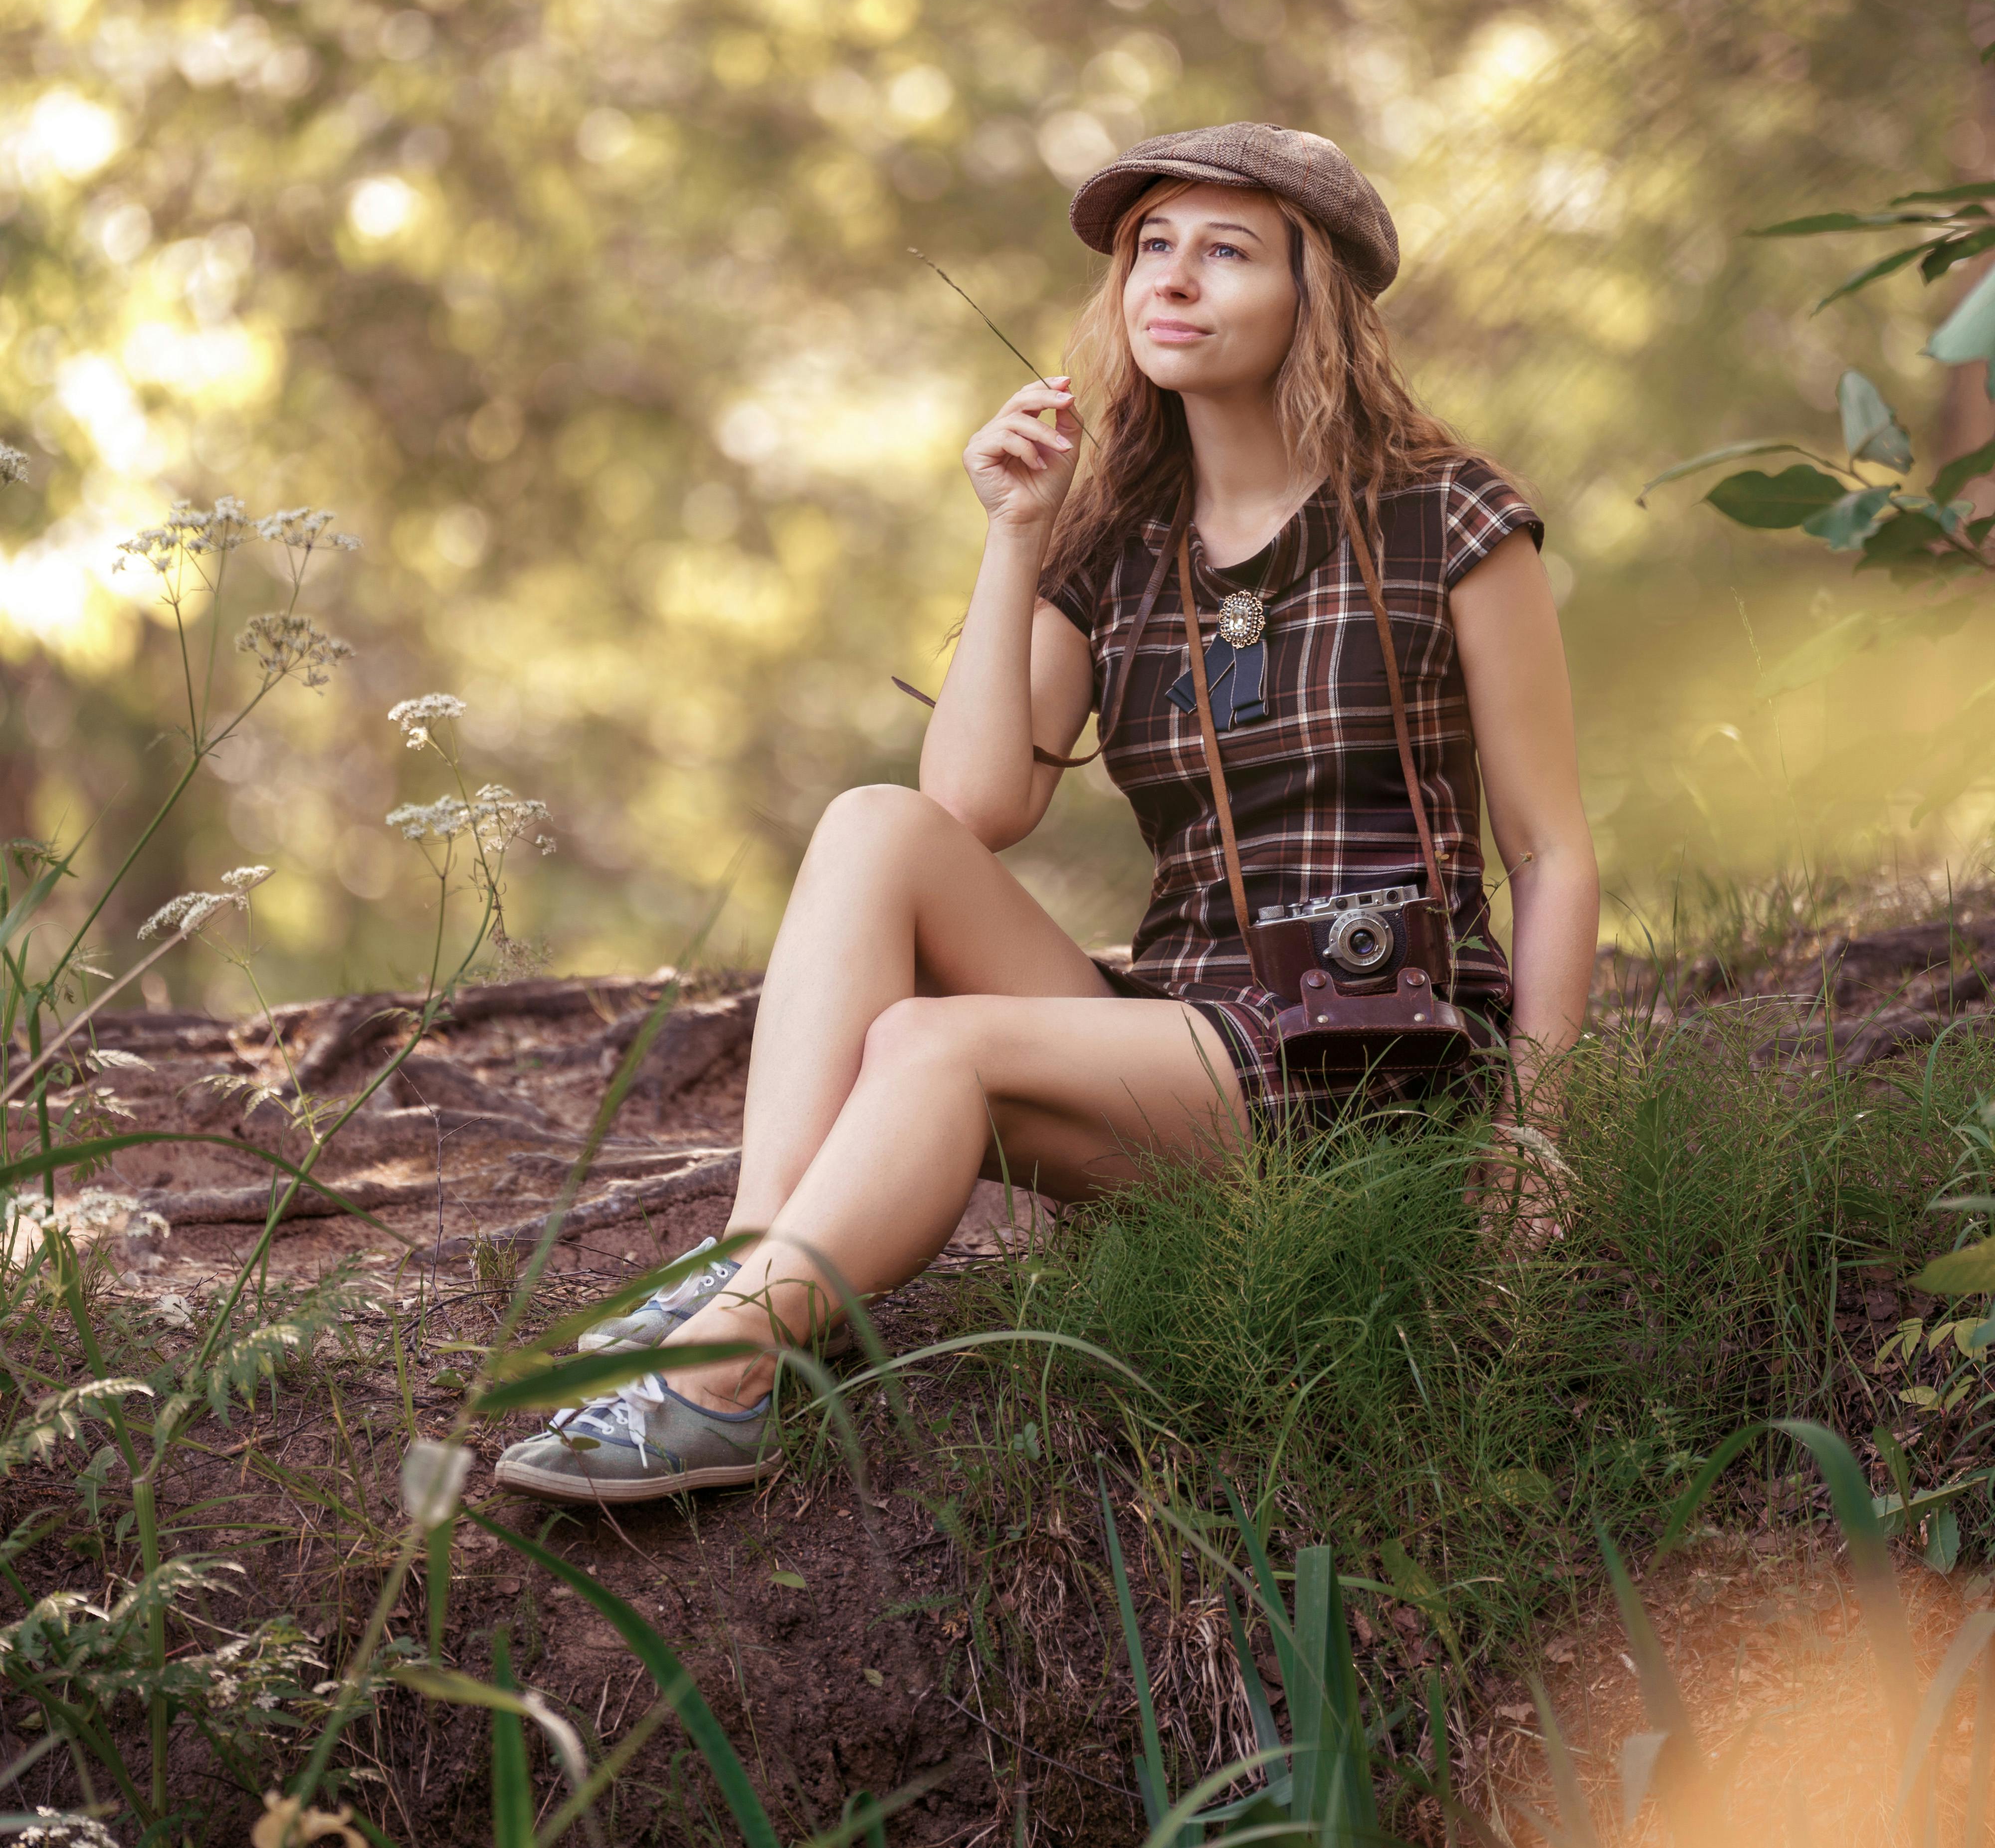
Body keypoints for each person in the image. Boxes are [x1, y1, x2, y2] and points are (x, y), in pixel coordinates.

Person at [496, 123, 1598, 1504]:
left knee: (931, 1047)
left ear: (1316, 295)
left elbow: (1550, 851)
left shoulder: (1451, 518)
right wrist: (1019, 531)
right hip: (1188, 1042)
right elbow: (971, 805)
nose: (1171, 282)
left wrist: (1537, 1138)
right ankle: (759, 1261)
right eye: (1152, 250)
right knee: (869, 826)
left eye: (1226, 252)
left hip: (1379, 1060)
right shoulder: (1123, 544)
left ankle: (723, 1380)